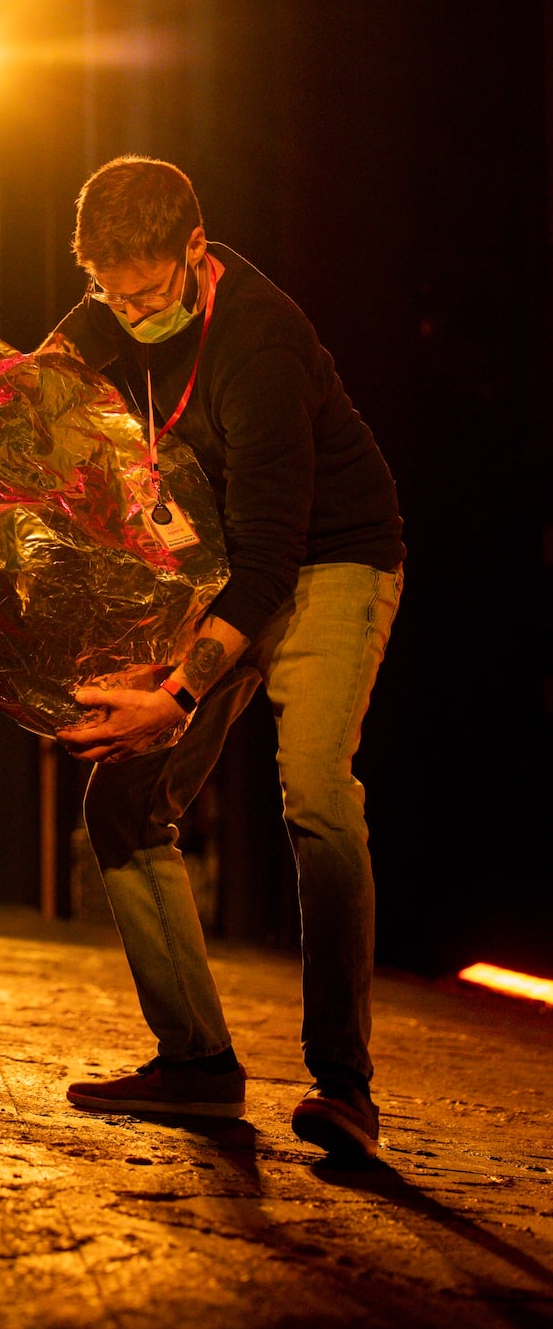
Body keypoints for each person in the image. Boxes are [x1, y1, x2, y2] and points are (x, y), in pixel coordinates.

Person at [47, 156, 403, 1162]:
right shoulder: (108, 309)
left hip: (328, 557)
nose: (129, 311)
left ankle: (344, 1086)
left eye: (148, 293)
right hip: (221, 562)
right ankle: (195, 1064)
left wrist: (179, 692)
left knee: (316, 795)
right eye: (109, 293)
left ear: (195, 253)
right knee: (120, 803)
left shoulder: (257, 342)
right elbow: (23, 397)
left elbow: (268, 563)